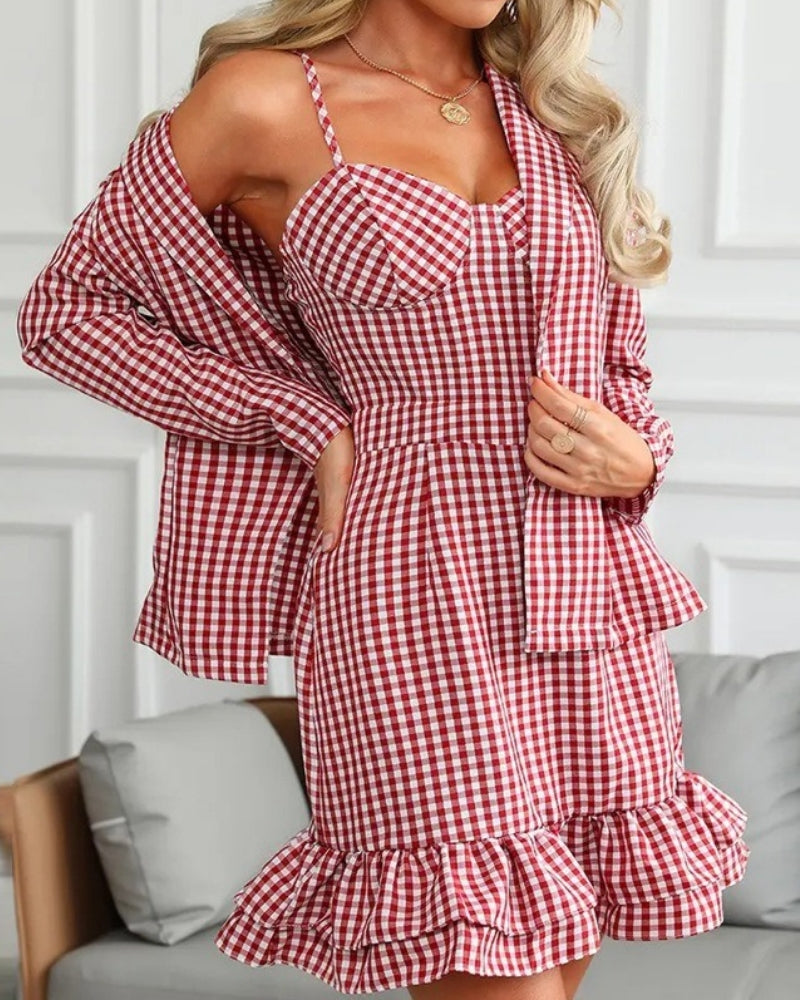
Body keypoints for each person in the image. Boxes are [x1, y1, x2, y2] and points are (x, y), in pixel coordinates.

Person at [17, 1, 751, 998]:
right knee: (492, 971)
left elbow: (613, 362)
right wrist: (296, 415)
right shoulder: (264, 97)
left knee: (557, 952)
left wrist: (637, 459)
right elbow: (66, 313)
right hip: (407, 583)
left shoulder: (544, 107)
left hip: (581, 588)